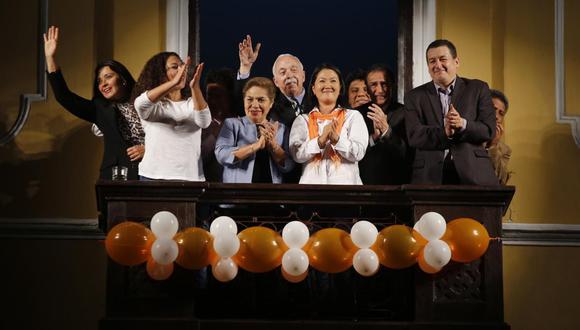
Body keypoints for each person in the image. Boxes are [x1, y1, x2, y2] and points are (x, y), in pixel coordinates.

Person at [44, 26, 145, 180]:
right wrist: (50, 58)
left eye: (108, 76)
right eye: (99, 81)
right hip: (117, 178)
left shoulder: (146, 100)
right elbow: (64, 97)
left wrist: (148, 150)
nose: (103, 83)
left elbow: (169, 134)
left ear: (122, 79)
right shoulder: (100, 109)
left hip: (153, 173)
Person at [405, 39, 497, 185]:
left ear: (456, 62)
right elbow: (414, 135)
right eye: (432, 61)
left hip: (474, 175)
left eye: (443, 59)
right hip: (429, 176)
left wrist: (463, 124)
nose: (437, 65)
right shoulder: (414, 96)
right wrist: (444, 132)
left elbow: (489, 130)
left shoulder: (478, 88)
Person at [132, 52, 211, 181]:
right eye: (175, 67)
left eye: (182, 66)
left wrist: (195, 88)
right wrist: (173, 83)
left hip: (190, 178)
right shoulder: (154, 106)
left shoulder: (192, 102)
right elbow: (140, 103)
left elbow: (205, 122)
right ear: (161, 73)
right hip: (153, 177)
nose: (181, 70)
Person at [289, 64, 368, 184]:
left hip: (347, 192)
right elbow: (296, 154)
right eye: (322, 81)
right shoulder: (302, 120)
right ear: (313, 89)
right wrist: (320, 141)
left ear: (341, 88)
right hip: (311, 192)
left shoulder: (353, 116)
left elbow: (359, 153)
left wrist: (336, 140)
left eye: (333, 81)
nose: (328, 85)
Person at [215, 77, 294, 183]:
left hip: (272, 195)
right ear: (244, 101)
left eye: (261, 100)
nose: (255, 105)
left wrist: (273, 146)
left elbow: (288, 166)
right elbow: (221, 155)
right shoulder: (232, 124)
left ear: (271, 103)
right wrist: (256, 146)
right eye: (249, 99)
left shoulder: (281, 129)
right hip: (237, 194)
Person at [355, 64, 412, 185]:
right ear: (367, 88)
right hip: (365, 187)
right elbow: (354, 154)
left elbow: (408, 154)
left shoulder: (407, 113)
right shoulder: (357, 115)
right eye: (373, 85)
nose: (380, 90)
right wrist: (373, 138)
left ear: (392, 85)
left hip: (397, 187)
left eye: (384, 84)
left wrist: (387, 131)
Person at [201, 68, 237, 182]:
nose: (212, 101)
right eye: (209, 95)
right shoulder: (200, 124)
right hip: (206, 189)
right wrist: (213, 136)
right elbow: (196, 160)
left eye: (218, 96)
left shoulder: (240, 124)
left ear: (228, 96)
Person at [487, 89, 512, 185]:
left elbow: (500, 181)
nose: (496, 116)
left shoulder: (505, 150)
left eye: (501, 113)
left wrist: (493, 146)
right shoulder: (467, 136)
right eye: (493, 109)